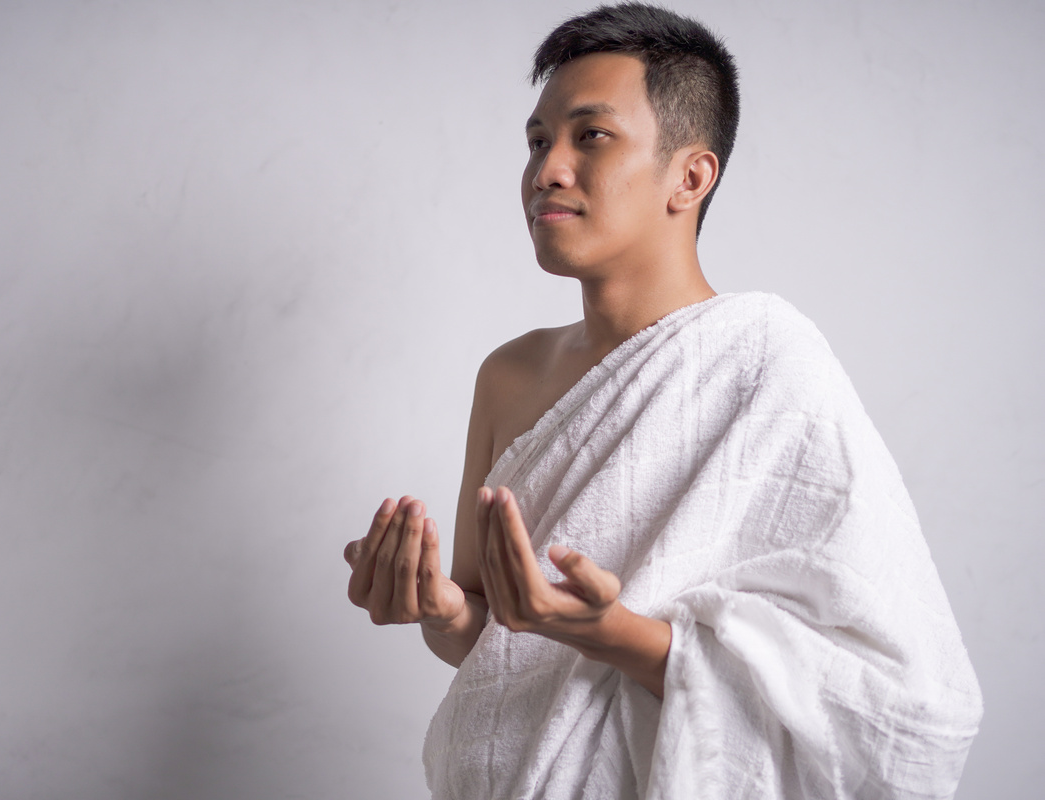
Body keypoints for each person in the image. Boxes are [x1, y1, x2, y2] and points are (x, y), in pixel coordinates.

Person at [343, 4, 983, 798]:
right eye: (538, 140)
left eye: (591, 136)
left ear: (691, 176)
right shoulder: (507, 374)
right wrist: (440, 610)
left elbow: (895, 697)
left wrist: (615, 635)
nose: (546, 168)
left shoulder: (768, 363)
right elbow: (489, 636)